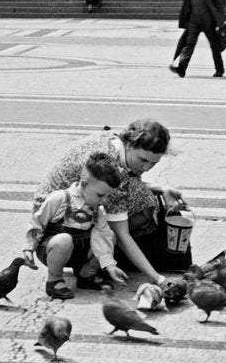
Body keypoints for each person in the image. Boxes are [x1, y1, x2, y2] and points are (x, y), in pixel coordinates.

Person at [32, 119, 188, 287]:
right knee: (138, 214)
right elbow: (122, 235)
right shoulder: (112, 171)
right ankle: (87, 261)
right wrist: (157, 278)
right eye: (143, 160)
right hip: (53, 230)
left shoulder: (111, 144)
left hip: (72, 209)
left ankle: (94, 262)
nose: (147, 167)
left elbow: (125, 183)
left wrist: (160, 189)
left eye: (153, 162)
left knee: (144, 198)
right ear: (129, 145)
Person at [24, 152, 128, 300]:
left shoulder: (98, 210)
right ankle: (54, 280)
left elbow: (102, 238)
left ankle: (86, 274)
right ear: (84, 184)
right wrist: (29, 247)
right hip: (52, 249)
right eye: (100, 195)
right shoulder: (60, 198)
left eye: (108, 196)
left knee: (109, 235)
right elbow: (37, 223)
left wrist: (110, 265)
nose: (104, 200)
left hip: (80, 252)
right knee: (64, 240)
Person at [169, 0, 225, 78]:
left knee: (214, 45)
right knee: (189, 43)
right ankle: (181, 68)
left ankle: (219, 69)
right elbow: (189, 1)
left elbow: (219, 3)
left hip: (208, 20)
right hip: (194, 20)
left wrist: (220, 21)